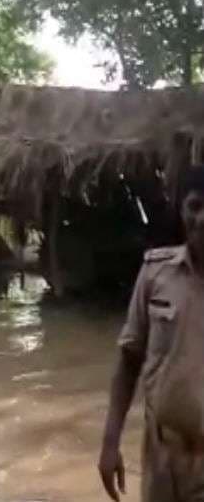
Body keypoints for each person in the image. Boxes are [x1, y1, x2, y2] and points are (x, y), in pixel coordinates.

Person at [99, 166, 204, 501]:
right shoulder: (155, 274)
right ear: (182, 210)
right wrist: (110, 443)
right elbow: (129, 359)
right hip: (162, 457)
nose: (202, 218)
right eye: (195, 206)